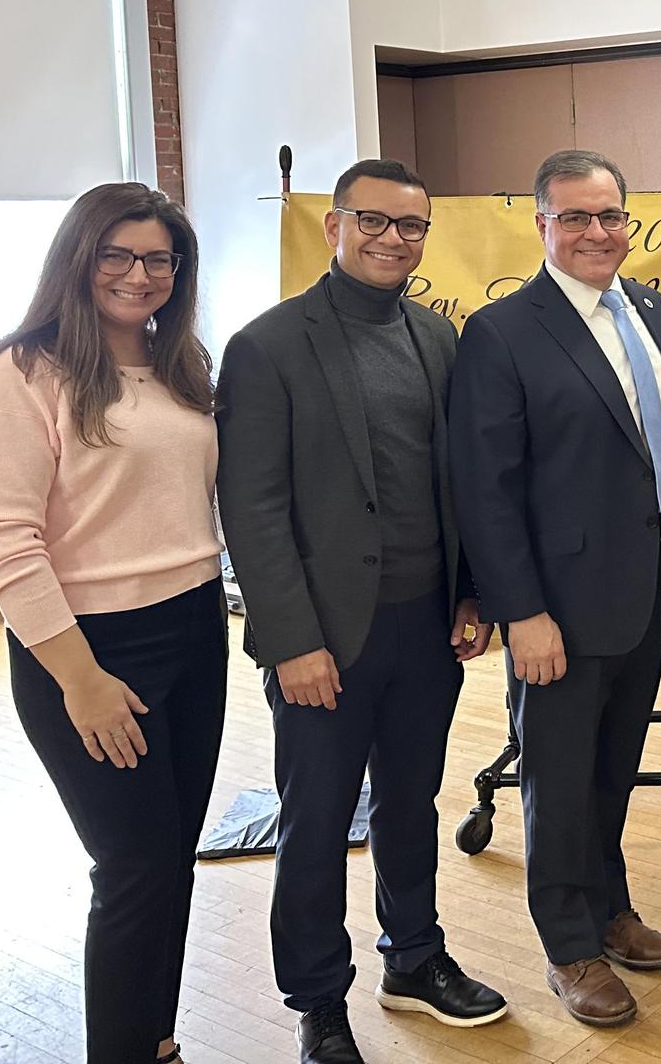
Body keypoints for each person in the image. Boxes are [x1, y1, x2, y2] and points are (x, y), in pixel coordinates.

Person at [215, 159, 507, 1064]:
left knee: (410, 801)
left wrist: (471, 589)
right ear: (335, 226)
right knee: (316, 820)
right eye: (373, 222)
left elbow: (455, 483)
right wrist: (293, 642)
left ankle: (414, 958)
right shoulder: (267, 346)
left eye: (411, 227)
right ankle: (317, 1001)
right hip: (323, 640)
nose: (393, 239)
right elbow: (251, 508)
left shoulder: (436, 334)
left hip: (425, 623)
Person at [0, 183, 224, 1064]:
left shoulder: (181, 363)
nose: (138, 274)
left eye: (158, 258)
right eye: (116, 254)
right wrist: (80, 677)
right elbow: (4, 544)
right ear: (79, 257)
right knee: (135, 868)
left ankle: (155, 1040)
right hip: (89, 647)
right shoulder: (21, 373)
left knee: (170, 861)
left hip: (193, 626)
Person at [448, 149, 661, 1028]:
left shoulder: (655, 315)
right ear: (542, 225)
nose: (598, 233)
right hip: (553, 609)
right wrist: (522, 611)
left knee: (612, 771)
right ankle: (568, 944)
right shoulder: (503, 331)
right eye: (576, 217)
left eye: (611, 216)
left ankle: (608, 904)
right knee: (557, 781)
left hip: (640, 597)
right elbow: (487, 486)